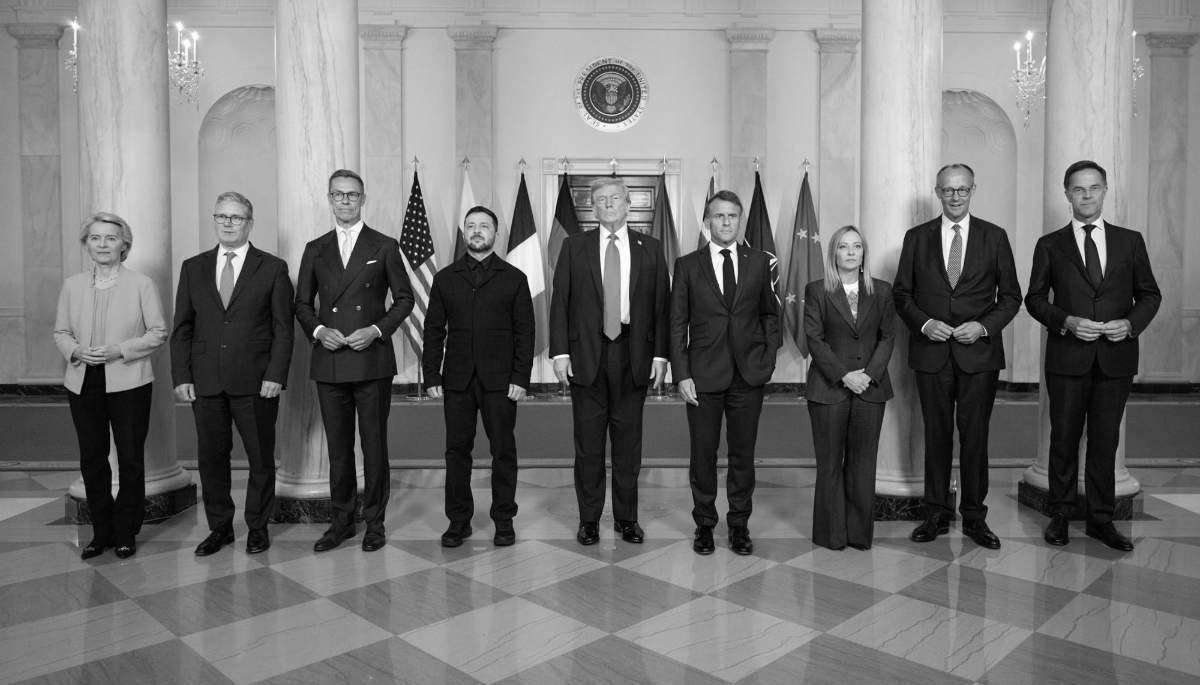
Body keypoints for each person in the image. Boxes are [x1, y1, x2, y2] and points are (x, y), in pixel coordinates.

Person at [1026, 160, 1161, 552]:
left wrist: (1130, 324)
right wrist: (1065, 320)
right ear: (1066, 194)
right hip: (1068, 356)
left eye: (1094, 188)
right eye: (1078, 189)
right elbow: (1034, 299)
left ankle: (1102, 519)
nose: (1087, 196)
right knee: (1063, 439)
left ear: (1105, 191)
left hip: (1116, 358)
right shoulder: (1050, 244)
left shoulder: (1129, 241)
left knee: (1105, 441)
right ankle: (1061, 514)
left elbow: (1149, 294)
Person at [893, 163, 1022, 550]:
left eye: (962, 190)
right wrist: (924, 324)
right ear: (937, 192)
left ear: (972, 191)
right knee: (935, 437)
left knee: (975, 438)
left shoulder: (994, 237)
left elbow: (1012, 297)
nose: (955, 197)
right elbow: (902, 294)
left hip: (978, 356)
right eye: (948, 190)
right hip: (931, 353)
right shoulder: (916, 237)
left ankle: (975, 517)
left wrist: (982, 326)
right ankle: (935, 513)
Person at [294, 169, 415, 553]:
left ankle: (374, 523)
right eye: (338, 195)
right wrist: (317, 331)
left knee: (374, 446)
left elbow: (405, 298)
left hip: (371, 360)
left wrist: (377, 330)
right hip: (330, 359)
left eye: (352, 195)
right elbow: (301, 303)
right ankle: (341, 522)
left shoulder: (384, 245)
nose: (345, 201)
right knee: (338, 447)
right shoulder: (315, 248)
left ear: (363, 199)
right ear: (329, 199)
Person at [171, 192, 294, 556]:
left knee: (260, 457)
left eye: (236, 218)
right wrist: (182, 376)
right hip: (205, 380)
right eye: (221, 216)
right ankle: (220, 527)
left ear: (249, 223)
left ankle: (257, 527)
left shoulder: (272, 267)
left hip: (257, 381)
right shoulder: (193, 267)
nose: (227, 223)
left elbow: (283, 329)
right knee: (211, 459)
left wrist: (276, 374)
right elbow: (182, 327)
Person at [549, 177, 670, 546]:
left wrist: (661, 354)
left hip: (633, 354)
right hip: (587, 354)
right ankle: (588, 520)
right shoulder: (574, 247)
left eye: (615, 198)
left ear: (628, 203)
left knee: (627, 444)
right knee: (588, 444)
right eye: (601, 200)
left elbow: (661, 307)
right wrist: (560, 352)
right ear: (593, 208)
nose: (608, 204)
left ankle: (626, 519)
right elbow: (561, 302)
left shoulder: (650, 248)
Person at [670, 191, 780, 556]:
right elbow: (676, 324)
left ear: (740, 220)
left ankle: (739, 526)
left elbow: (770, 315)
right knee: (703, 455)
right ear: (707, 221)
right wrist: (681, 373)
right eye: (720, 216)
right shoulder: (687, 265)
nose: (727, 222)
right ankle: (704, 525)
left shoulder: (760, 261)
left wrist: (767, 356)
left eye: (733, 216)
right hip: (702, 375)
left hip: (749, 374)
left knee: (742, 455)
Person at [54, 213, 167, 560]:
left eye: (111, 238)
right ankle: (100, 532)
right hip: (83, 381)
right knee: (92, 460)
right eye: (95, 238)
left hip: (129, 381)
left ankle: (125, 532)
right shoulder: (72, 285)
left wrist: (121, 349)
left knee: (131, 459)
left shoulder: (142, 284)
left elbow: (158, 332)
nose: (103, 244)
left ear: (124, 245)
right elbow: (61, 332)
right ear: (87, 244)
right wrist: (76, 351)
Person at [423, 206, 535, 548]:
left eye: (483, 226)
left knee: (503, 450)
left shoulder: (514, 278)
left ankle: (504, 520)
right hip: (456, 380)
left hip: (501, 381)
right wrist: (431, 375)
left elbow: (525, 331)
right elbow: (433, 330)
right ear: (464, 232)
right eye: (471, 226)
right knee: (457, 451)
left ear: (495, 233)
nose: (476, 231)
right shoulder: (445, 278)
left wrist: (521, 377)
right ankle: (458, 521)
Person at [804, 226, 895, 551]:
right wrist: (845, 375)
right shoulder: (817, 290)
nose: (851, 252)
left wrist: (868, 375)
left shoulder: (882, 291)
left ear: (864, 253)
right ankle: (832, 534)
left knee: (863, 463)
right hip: (829, 388)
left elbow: (888, 337)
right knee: (830, 464)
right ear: (834, 254)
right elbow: (815, 340)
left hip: (872, 389)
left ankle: (858, 534)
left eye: (857, 246)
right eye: (844, 247)